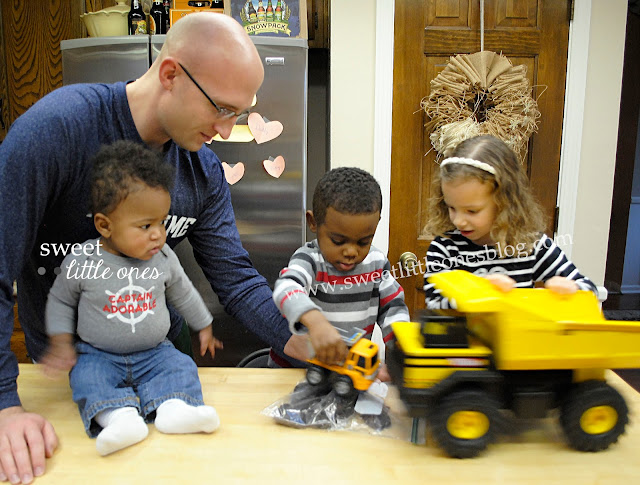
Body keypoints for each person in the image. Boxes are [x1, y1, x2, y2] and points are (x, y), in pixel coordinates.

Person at [0, 12, 304, 483]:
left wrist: (298, 340)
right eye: (222, 108)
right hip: (69, 376)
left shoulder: (202, 171)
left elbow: (238, 282)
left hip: (159, 358)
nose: (227, 130)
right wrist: (3, 404)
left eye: (239, 114)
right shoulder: (55, 132)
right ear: (170, 75)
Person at [41, 140, 223, 456]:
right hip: (98, 355)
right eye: (145, 225)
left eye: (161, 223)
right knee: (86, 378)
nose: (158, 234)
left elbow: (183, 292)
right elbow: (60, 301)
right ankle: (118, 418)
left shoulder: (163, 257)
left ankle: (173, 410)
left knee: (180, 366)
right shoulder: (82, 260)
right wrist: (59, 341)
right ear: (104, 225)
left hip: (155, 352)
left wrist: (204, 325)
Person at [423, 134, 597, 309]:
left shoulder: (530, 245)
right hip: (461, 337)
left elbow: (590, 291)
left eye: (472, 211)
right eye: (451, 208)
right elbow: (435, 302)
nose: (459, 221)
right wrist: (482, 295)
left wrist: (571, 289)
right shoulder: (444, 247)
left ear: (504, 203)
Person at [272, 167, 410, 379]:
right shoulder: (309, 259)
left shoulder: (376, 263)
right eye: (338, 241)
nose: (351, 252)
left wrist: (399, 347)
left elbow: (393, 307)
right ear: (313, 223)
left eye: (364, 241)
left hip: (347, 370)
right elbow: (286, 288)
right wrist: (315, 322)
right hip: (296, 369)